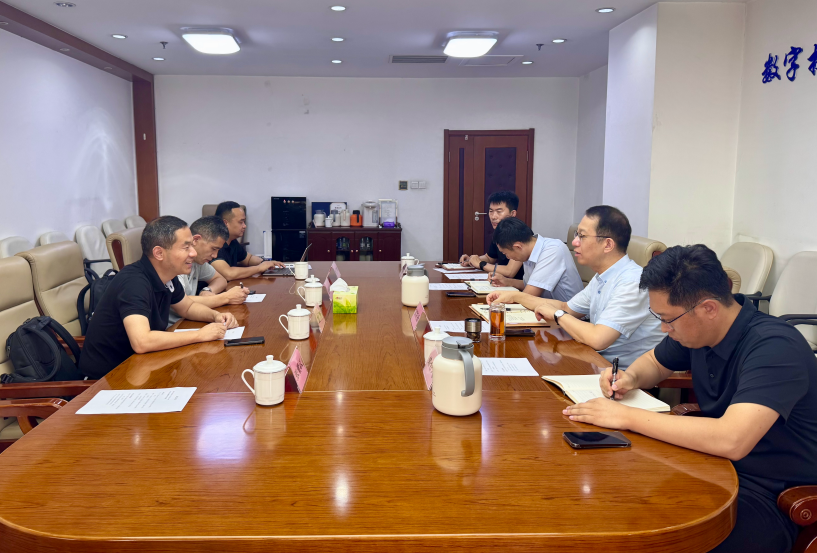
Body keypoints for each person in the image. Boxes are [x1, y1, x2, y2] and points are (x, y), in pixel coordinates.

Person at [563, 244, 817, 553]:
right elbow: (655, 362)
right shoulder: (699, 330)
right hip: (711, 466)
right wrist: (630, 377)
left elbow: (732, 439)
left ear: (709, 308)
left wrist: (626, 417)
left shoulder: (775, 347)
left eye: (667, 319)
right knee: (609, 503)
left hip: (770, 495)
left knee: (647, 536)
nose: (663, 327)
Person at [487, 206, 663, 368]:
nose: (574, 242)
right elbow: (566, 307)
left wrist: (557, 315)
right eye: (576, 235)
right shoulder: (602, 277)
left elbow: (598, 338)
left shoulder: (632, 281)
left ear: (608, 244)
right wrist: (515, 296)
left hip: (620, 375)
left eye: (582, 236)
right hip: (594, 361)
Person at [79, 216, 239, 379]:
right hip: (106, 379)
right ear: (159, 253)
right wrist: (200, 335)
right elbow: (142, 341)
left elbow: (188, 307)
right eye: (186, 247)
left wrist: (216, 316)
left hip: (140, 367)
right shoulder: (134, 282)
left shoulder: (168, 276)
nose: (193, 252)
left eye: (192, 245)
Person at [167, 216, 251, 327]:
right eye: (213, 249)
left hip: (191, 319)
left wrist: (207, 290)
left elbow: (220, 279)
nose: (215, 255)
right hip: (174, 326)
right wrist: (226, 297)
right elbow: (183, 302)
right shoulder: (176, 263)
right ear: (196, 240)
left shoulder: (198, 261)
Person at [487, 218, 582, 301]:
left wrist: (503, 297)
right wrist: (507, 282)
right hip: (548, 309)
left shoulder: (553, 250)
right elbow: (530, 284)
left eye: (505, 253)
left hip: (569, 314)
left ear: (518, 247)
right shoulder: (528, 252)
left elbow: (527, 296)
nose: (508, 257)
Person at [211, 201, 285, 280]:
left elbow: (248, 259)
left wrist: (265, 263)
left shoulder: (232, 241)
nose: (244, 226)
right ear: (225, 223)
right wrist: (259, 268)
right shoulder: (213, 243)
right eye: (241, 222)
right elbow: (229, 274)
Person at [458, 191, 524, 280]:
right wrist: (471, 260)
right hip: (502, 282)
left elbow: (510, 271)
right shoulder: (499, 231)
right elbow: (489, 258)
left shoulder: (520, 233)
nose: (493, 217)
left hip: (519, 285)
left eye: (499, 212)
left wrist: (480, 264)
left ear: (513, 214)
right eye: (491, 211)